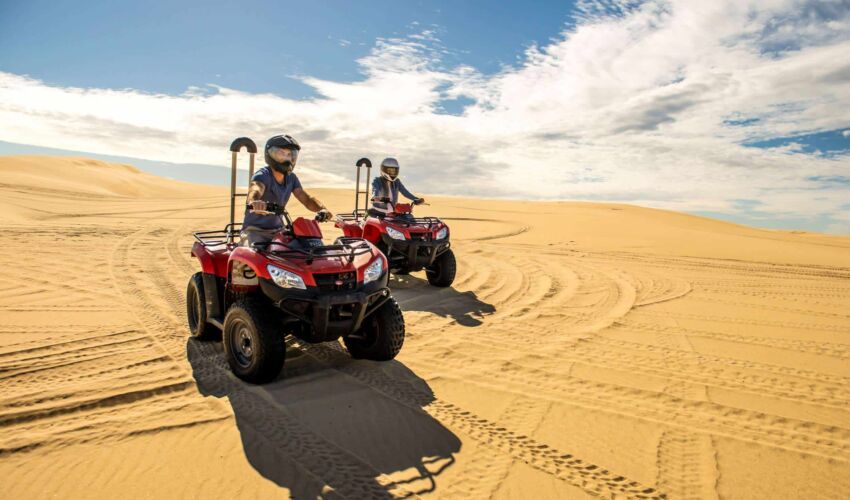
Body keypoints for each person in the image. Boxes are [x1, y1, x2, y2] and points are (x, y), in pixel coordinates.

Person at [242, 134, 333, 246]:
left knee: (299, 252)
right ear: (270, 155)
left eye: (289, 154)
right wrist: (254, 202)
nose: (286, 158)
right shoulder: (263, 175)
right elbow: (255, 189)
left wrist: (322, 209)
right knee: (253, 255)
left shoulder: (291, 178)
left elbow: (306, 198)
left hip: (279, 231)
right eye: (281, 153)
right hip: (255, 231)